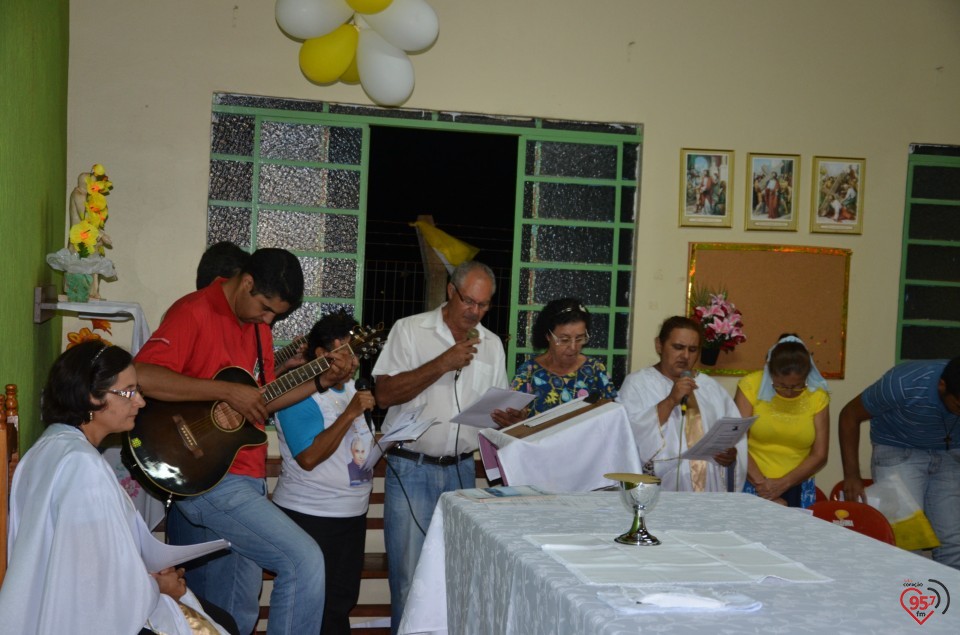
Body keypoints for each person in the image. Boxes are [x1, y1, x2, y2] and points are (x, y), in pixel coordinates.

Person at [134, 248, 355, 635]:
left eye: (276, 315)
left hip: (242, 475)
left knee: (223, 617)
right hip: (209, 476)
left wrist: (321, 379)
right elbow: (141, 375)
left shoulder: (258, 331)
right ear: (247, 282)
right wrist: (225, 391)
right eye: (266, 308)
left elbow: (262, 399)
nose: (269, 320)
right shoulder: (194, 311)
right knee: (304, 562)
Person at [0, 342, 231, 635]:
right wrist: (159, 585)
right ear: (91, 397)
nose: (141, 402)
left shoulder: (50, 446)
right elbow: (94, 586)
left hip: (43, 601)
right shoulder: (81, 465)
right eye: (128, 392)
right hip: (76, 617)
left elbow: (87, 556)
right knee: (219, 624)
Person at [372, 260, 525, 633]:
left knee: (454, 577)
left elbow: (491, 412)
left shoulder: (490, 345)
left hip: (461, 470)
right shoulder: (409, 330)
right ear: (450, 292)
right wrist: (442, 363)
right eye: (469, 302)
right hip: (411, 467)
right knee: (409, 580)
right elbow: (384, 394)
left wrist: (505, 420)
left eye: (484, 305)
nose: (475, 312)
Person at [272, 311, 377, 635]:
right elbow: (309, 457)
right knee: (314, 607)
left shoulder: (351, 390)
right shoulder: (299, 393)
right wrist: (350, 413)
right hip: (312, 515)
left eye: (356, 354)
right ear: (322, 354)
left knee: (339, 602)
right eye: (347, 352)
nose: (354, 362)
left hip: (351, 514)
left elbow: (355, 447)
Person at [838, 356, 960, 570]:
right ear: (942, 386)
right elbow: (849, 415)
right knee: (905, 539)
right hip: (898, 449)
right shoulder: (904, 382)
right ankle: (906, 598)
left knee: (953, 541)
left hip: (949, 454)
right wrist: (852, 475)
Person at [616, 316, 746, 492]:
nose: (685, 356)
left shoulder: (711, 388)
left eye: (692, 350)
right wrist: (671, 400)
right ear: (659, 345)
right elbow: (627, 437)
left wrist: (731, 456)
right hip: (662, 490)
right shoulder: (637, 384)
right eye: (678, 347)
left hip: (709, 489)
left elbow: (734, 437)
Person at [734, 335, 830, 507]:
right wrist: (763, 486)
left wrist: (783, 484)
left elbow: (820, 454)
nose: (789, 392)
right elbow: (737, 441)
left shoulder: (817, 395)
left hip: (797, 484)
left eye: (798, 386)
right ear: (770, 373)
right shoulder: (751, 385)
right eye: (782, 385)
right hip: (753, 481)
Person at [510, 298, 616, 416]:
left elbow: (612, 417)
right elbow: (514, 421)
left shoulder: (596, 370)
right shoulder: (528, 373)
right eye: (564, 339)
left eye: (579, 339)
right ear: (548, 336)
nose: (573, 347)